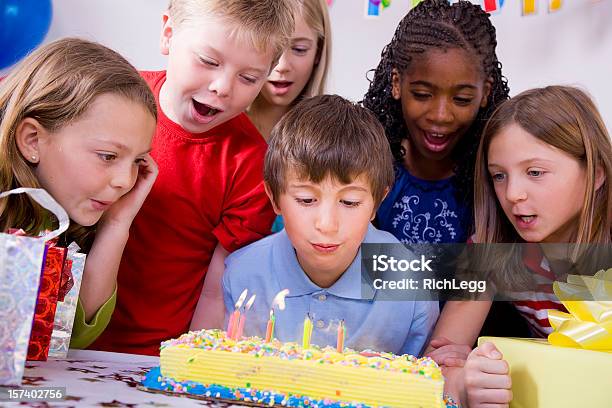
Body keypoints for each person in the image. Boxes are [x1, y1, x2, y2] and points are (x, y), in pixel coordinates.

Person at [91, 0, 296, 355]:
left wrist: (187, 365)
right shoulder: (113, 101)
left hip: (157, 355)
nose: (222, 86)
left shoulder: (250, 165)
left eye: (248, 77)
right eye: (208, 61)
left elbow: (217, 291)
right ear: (168, 33)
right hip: (65, 334)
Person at [434, 86, 611, 407]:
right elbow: (434, 365)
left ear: (596, 173)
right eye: (499, 176)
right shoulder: (493, 248)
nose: (513, 193)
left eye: (535, 172)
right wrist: (463, 380)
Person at [221, 95, 439, 356]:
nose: (327, 224)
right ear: (274, 198)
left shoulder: (411, 283)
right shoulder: (242, 275)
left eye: (349, 202)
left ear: (377, 203)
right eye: (306, 199)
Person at [0, 38, 158, 348]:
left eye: (138, 162)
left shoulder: (56, 220)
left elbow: (72, 337)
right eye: (108, 156)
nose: (126, 181)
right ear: (32, 140)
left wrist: (116, 224)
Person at [362, 0, 510, 244]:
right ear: (397, 83)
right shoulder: (368, 167)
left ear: (485, 93)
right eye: (422, 94)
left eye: (462, 99)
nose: (441, 115)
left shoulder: (497, 178)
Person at [247, 0, 331, 142]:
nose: (282, 66)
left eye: (299, 49)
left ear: (318, 52)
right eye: (271, 46)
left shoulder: (332, 138)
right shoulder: (215, 127)